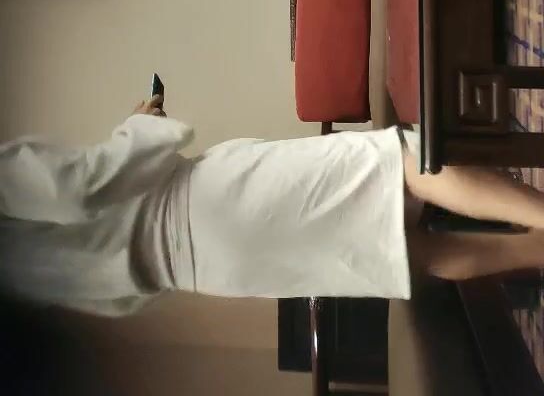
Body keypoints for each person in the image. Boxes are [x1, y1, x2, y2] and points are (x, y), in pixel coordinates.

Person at [1, 97, 544, 317]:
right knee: (397, 159)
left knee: (406, 253)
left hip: (204, 272)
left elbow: (106, 297)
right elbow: (78, 189)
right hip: (205, 206)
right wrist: (139, 126)